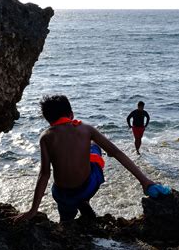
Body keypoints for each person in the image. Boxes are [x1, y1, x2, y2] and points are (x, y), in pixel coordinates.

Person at [13, 95, 168, 223]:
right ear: (71, 114)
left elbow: (44, 174)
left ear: (48, 120)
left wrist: (33, 209)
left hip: (63, 195)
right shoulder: (86, 129)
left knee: (66, 218)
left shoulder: (45, 137)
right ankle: (83, 201)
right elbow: (116, 153)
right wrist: (144, 181)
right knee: (94, 147)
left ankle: (68, 220)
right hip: (88, 187)